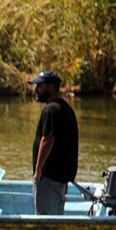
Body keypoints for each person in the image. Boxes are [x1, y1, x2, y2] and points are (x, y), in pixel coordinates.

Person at [28, 70, 78, 215]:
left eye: (40, 86)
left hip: (48, 177)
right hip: (61, 179)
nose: (36, 90)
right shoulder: (66, 109)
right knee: (56, 219)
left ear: (50, 87)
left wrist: (38, 171)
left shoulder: (51, 110)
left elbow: (47, 140)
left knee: (44, 220)